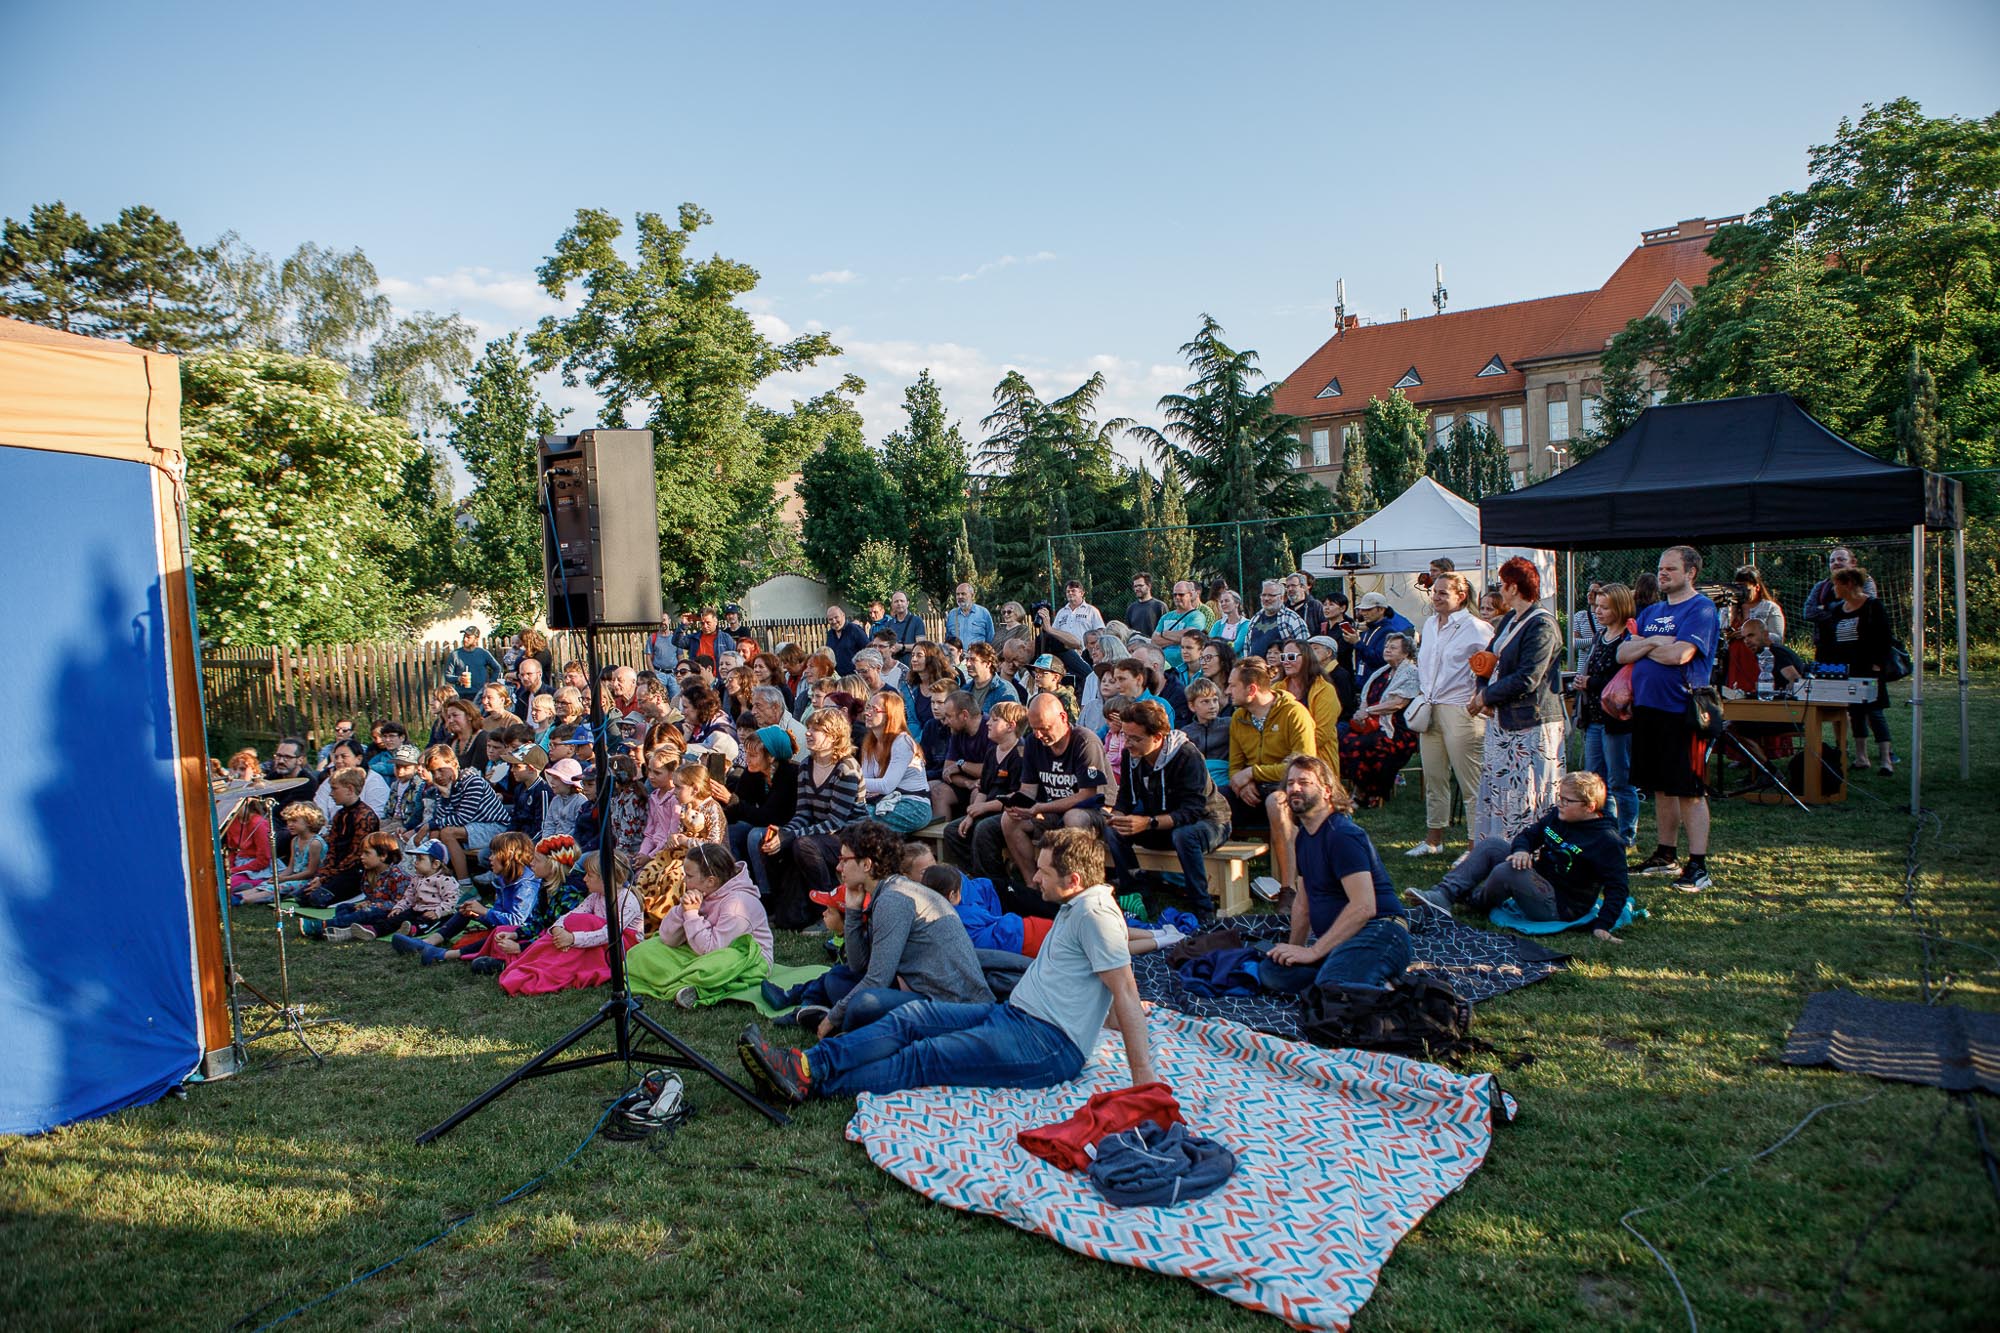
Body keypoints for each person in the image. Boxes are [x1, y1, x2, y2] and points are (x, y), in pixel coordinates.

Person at [735, 826, 1154, 1106]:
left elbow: (1126, 994)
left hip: (1045, 1044)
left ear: (1075, 879)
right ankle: (806, 1064)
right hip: (1015, 1016)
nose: (1034, 880)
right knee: (912, 1018)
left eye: (1043, 873)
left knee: (924, 1057)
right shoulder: (1076, 906)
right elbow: (1106, 995)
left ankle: (806, 1083)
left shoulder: (1096, 916)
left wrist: (1144, 1087)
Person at [1248, 756, 1411, 996]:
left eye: (1304, 782)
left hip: (1380, 931)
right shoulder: (1303, 838)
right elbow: (1303, 904)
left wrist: (1313, 952)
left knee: (1333, 988)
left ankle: (1394, 993)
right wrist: (1293, 950)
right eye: (1290, 783)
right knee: (1273, 972)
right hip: (1339, 941)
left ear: (1326, 791)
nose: (1294, 788)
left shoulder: (1342, 835)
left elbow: (1364, 907)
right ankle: (1361, 979)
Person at [1411, 773, 1631, 940]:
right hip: (1539, 878)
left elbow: (1618, 887)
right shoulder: (1558, 816)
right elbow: (1528, 835)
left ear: (1590, 807)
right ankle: (1443, 895)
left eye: (1567, 801)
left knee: (1508, 871)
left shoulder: (1607, 841)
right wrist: (1521, 850)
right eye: (1559, 798)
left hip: (1560, 906)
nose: (1559, 804)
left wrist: (1603, 925)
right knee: (1493, 844)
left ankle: (1472, 900)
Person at [1618, 545, 1720, 893]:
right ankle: (1665, 854)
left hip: (1683, 710)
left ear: (1691, 573)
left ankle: (1699, 865)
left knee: (1688, 789)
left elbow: (1681, 654)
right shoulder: (1653, 611)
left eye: (1671, 569)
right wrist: (1652, 642)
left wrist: (1645, 644)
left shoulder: (1701, 609)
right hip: (1649, 709)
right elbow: (1623, 652)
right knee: (1660, 787)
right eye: (1660, 568)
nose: (1662, 574)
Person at [1471, 556, 1567, 844]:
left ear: (1513, 587)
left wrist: (1487, 695)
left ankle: (1529, 847)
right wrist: (1482, 689)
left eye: (1502, 584)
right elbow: (1487, 660)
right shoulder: (1510, 620)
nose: (1500, 589)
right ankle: (1499, 845)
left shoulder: (1542, 625)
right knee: (1501, 787)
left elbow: (1529, 676)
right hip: (1503, 721)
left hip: (1531, 722)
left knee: (1528, 789)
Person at [1103, 700, 1230, 916]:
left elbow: (1193, 811)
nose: (1128, 744)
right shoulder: (1131, 754)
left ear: (1158, 737)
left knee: (1184, 835)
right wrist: (1117, 816)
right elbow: (1125, 796)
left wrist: (1148, 823)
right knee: (1113, 830)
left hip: (1208, 822)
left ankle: (1203, 908)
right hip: (1160, 822)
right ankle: (1138, 893)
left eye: (1135, 738)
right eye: (1125, 736)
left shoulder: (1188, 756)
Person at [627, 843, 776, 1008]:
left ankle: (693, 989)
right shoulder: (703, 891)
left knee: (719, 963)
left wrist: (691, 914)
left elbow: (713, 950)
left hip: (743, 959)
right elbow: (667, 938)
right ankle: (685, 982)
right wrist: (681, 910)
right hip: (701, 949)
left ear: (710, 881)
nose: (684, 880)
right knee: (642, 951)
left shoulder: (737, 904)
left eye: (689, 876)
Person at [1407, 572, 1493, 858]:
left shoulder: (1476, 628)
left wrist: (1480, 695)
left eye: (1444, 592)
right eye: (1435, 592)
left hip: (1461, 708)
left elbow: (1493, 665)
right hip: (1430, 707)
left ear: (1461, 596)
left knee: (1471, 781)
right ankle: (1434, 839)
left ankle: (1474, 846)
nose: (1437, 597)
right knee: (1434, 776)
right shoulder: (1430, 624)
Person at [757, 708, 866, 928]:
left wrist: (791, 835)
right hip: (819, 833)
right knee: (768, 842)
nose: (808, 733)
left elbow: (836, 822)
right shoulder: (806, 764)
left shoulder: (846, 768)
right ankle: (782, 905)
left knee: (803, 845)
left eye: (816, 729)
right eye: (809, 728)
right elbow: (803, 813)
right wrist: (783, 833)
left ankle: (829, 907)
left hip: (850, 836)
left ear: (834, 736)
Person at [998, 694, 1110, 904]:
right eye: (1034, 728)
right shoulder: (1033, 742)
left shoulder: (1085, 741)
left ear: (1063, 717)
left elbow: (1088, 794)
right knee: (1009, 819)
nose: (1039, 735)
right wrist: (1019, 805)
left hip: (1092, 811)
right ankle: (1033, 886)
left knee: (1073, 817)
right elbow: (1029, 789)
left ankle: (1077, 891)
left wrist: (1041, 807)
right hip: (1050, 811)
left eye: (1044, 728)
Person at [1225, 657, 1316, 901]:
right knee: (1214, 802)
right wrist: (1242, 783)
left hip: (1294, 789)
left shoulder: (1294, 713)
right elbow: (1235, 767)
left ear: (1251, 689)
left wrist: (1254, 772)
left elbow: (1303, 765)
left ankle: (1290, 888)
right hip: (1253, 791)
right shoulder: (1238, 718)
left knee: (1276, 802)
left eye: (1232, 685)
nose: (1227, 690)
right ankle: (1214, 882)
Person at [498, 850, 646, 997]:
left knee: (584, 921)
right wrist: (558, 928)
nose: (584, 879)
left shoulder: (628, 900)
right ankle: (538, 961)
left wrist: (572, 938)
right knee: (576, 920)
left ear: (605, 879)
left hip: (621, 948)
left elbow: (609, 934)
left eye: (590, 875)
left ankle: (552, 968)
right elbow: (571, 914)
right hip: (598, 943)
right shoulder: (595, 896)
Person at [391, 831, 543, 966]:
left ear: (508, 856)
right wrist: (478, 912)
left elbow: (518, 921)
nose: (489, 858)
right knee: (467, 910)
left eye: (494, 854)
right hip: (504, 925)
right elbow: (500, 912)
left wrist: (484, 911)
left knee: (497, 934)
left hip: (522, 933)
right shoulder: (506, 878)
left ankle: (446, 955)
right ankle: (427, 942)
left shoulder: (526, 886)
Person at [1814, 565, 1896, 775]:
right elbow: (1831, 639)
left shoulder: (1872, 605)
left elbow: (1884, 636)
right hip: (1846, 669)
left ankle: (1886, 759)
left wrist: (1879, 663)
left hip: (1869, 667)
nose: (1834, 589)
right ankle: (1861, 757)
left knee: (1874, 712)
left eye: (1837, 584)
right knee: (1855, 713)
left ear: (1849, 583)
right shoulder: (1838, 609)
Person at [1575, 583, 1640, 848]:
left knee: (1620, 780)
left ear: (1620, 608)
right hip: (1594, 718)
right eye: (1596, 607)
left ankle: (1626, 834)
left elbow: (1623, 682)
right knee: (1595, 779)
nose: (1598, 612)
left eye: (1604, 608)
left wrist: (1591, 682)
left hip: (1616, 720)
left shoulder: (1629, 638)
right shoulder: (1601, 635)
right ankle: (1605, 828)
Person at [944, 700, 1028, 882]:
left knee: (984, 830)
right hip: (988, 808)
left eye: (995, 720)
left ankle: (995, 880)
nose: (988, 723)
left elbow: (1017, 795)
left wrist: (984, 808)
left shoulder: (1020, 753)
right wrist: (971, 814)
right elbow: (984, 788)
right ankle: (974, 874)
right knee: (952, 830)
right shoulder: (992, 752)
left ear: (1010, 726)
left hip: (1009, 812)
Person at [1341, 631, 1422, 808]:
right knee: (1345, 739)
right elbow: (1365, 698)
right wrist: (1362, 712)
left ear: (1406, 652)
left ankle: (1369, 793)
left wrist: (1368, 711)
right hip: (1373, 724)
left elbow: (1398, 704)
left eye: (1393, 647)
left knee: (1367, 744)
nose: (1387, 650)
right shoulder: (1382, 672)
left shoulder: (1411, 673)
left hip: (1399, 729)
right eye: (1386, 646)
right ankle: (1358, 788)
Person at [412, 744, 509, 884]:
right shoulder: (443, 786)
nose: (438, 776)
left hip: (496, 828)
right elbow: (441, 818)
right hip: (470, 827)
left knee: (447, 832)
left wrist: (428, 825)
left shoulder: (472, 782)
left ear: (455, 764)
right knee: (436, 833)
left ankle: (465, 884)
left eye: (441, 770)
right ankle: (437, 879)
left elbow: (462, 818)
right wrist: (445, 796)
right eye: (433, 772)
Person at [299, 768, 381, 907]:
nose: (331, 794)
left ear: (349, 789)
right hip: (336, 870)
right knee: (302, 896)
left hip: (356, 872)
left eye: (334, 789)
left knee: (317, 899)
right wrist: (322, 875)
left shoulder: (365, 816)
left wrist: (327, 878)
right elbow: (332, 849)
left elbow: (356, 855)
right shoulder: (339, 815)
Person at [859, 690, 934, 833]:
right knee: (851, 812)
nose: (867, 713)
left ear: (890, 715)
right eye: (868, 707)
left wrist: (851, 780)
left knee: (862, 818)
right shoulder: (869, 743)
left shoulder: (902, 742)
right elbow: (866, 782)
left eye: (874, 709)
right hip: (883, 802)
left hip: (914, 805)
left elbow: (886, 785)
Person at [1272, 637, 1342, 777]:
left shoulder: (1325, 690)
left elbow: (1321, 735)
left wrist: (1289, 752)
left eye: (1291, 657)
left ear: (1307, 658)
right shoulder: (1277, 689)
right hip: (1279, 757)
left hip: (1317, 760)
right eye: (1283, 657)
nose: (1285, 661)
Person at [927, 689, 993, 823]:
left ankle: (971, 839)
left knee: (977, 793)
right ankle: (943, 839)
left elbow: (989, 770)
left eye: (949, 716)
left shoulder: (990, 729)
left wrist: (961, 765)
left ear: (964, 715)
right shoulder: (957, 731)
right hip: (967, 783)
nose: (945, 722)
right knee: (938, 792)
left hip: (988, 787)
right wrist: (968, 782)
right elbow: (947, 771)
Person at [1802, 547, 1876, 633]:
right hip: (1826, 642)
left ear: (1853, 562)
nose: (1836, 563)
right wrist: (1844, 611)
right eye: (1832, 561)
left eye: (1841, 559)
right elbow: (1808, 613)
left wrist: (1825, 607)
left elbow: (1864, 607)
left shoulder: (1865, 582)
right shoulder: (1820, 586)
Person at [1348, 592, 1414, 679]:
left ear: (1381, 610)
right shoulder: (1368, 629)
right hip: (1362, 681)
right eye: (1362, 610)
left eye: (1368, 609)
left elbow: (1379, 659)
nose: (1363, 613)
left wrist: (1357, 643)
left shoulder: (1388, 631)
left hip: (1378, 681)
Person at [1151, 580, 1211, 674]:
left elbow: (1190, 637)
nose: (1177, 597)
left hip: (1185, 668)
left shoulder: (1197, 616)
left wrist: (1164, 634)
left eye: (1181, 594)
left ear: (1190, 595)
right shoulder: (1166, 617)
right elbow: (1154, 640)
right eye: (1175, 595)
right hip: (1163, 667)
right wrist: (1178, 638)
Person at [1244, 580, 1311, 659]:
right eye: (1263, 595)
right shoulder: (1254, 619)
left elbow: (1305, 650)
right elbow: (1247, 648)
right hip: (1256, 669)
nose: (1266, 598)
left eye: (1271, 595)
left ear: (1282, 598)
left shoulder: (1292, 619)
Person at [444, 626, 504, 700]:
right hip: (462, 695)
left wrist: (490, 683)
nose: (465, 639)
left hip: (480, 694)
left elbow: (498, 668)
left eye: (468, 637)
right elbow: (447, 676)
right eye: (464, 637)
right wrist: (459, 679)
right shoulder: (455, 655)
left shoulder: (483, 653)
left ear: (476, 639)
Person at [963, 641, 1018, 715]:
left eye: (973, 660)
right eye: (967, 660)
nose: (967, 664)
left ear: (988, 664)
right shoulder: (965, 690)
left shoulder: (1004, 690)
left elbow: (1010, 721)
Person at [1048, 580, 1104, 646]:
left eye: (1073, 590)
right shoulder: (1061, 613)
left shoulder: (1091, 611)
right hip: (1065, 653)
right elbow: (1054, 632)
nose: (1070, 593)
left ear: (1082, 593)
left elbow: (1100, 632)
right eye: (1068, 591)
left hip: (1085, 653)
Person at [823, 604, 869, 675]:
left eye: (836, 617)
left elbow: (868, 650)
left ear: (843, 615)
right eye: (830, 619)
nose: (834, 621)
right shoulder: (830, 634)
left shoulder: (855, 630)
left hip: (855, 678)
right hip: (837, 678)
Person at [946, 582, 995, 648]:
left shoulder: (983, 613)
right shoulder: (952, 614)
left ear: (972, 595)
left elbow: (990, 639)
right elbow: (948, 640)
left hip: (977, 656)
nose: (960, 597)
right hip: (957, 657)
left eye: (963, 594)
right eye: (957, 594)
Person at [1123, 573, 1166, 637]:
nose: (1137, 589)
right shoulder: (1131, 608)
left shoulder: (1160, 606)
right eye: (1135, 586)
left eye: (1140, 585)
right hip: (1135, 645)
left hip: (1154, 645)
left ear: (1149, 586)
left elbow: (1166, 630)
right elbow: (1127, 631)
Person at [1283, 572, 1326, 636]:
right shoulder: (1283, 609)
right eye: (1288, 586)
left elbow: (1324, 627)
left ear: (1303, 587)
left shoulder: (1314, 605)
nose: (1290, 589)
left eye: (1293, 585)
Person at [1209, 589, 1251, 653]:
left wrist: (1218, 646)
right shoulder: (1217, 624)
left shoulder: (1245, 624)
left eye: (1227, 601)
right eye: (1221, 602)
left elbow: (1237, 647)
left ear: (1236, 604)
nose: (1223, 604)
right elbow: (1210, 644)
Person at [1570, 582, 1603, 661]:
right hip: (1584, 665)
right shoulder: (1580, 616)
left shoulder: (1608, 616)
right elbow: (1574, 642)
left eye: (1595, 592)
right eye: (1589, 591)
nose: (1590, 594)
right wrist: (1596, 640)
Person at [646, 610, 681, 682]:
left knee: (677, 694)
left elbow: (680, 657)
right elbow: (648, 658)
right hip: (659, 675)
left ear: (669, 621)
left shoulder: (676, 638)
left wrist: (680, 673)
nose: (662, 622)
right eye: (660, 620)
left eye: (664, 620)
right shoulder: (653, 638)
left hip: (674, 675)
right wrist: (653, 674)